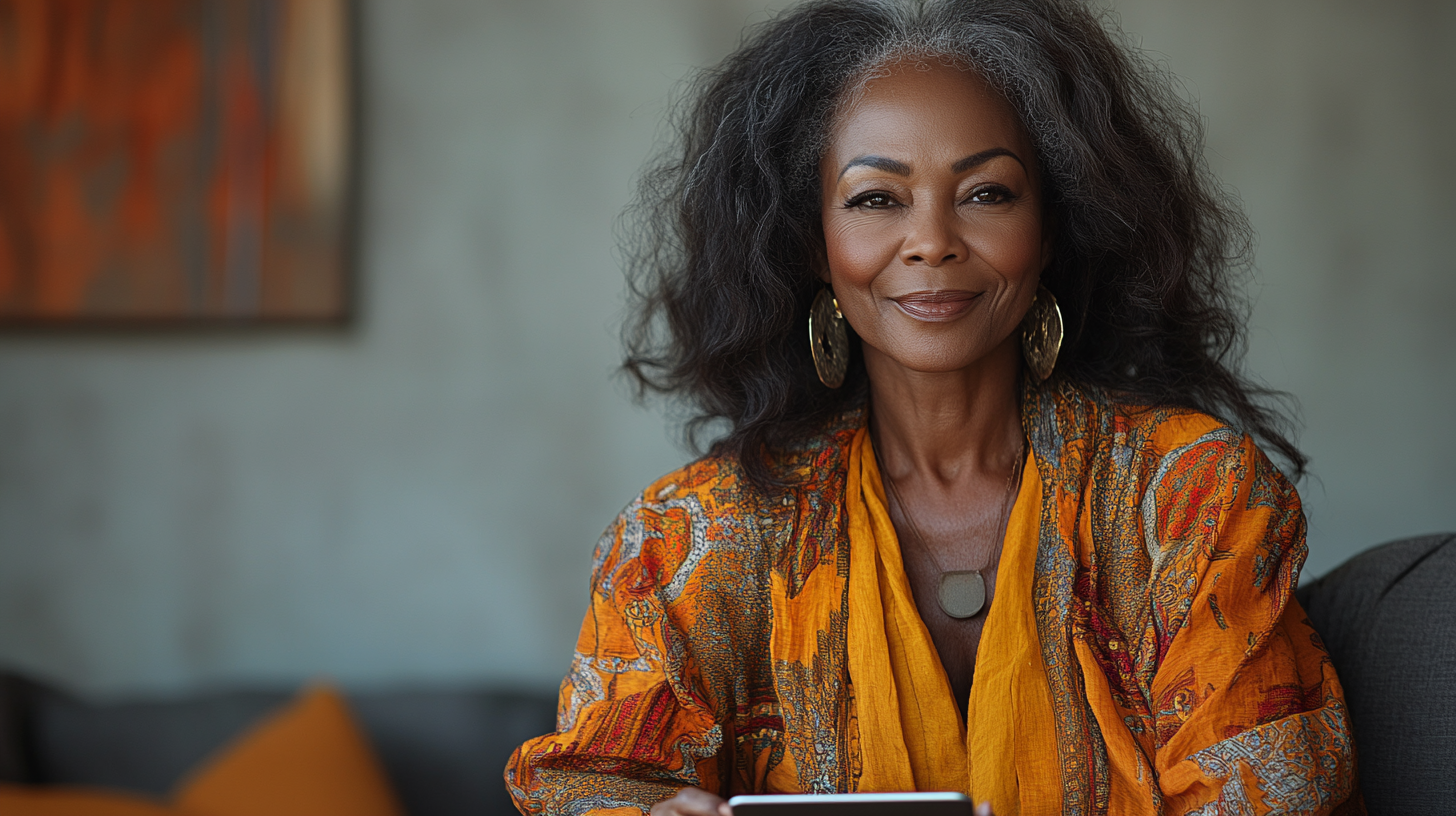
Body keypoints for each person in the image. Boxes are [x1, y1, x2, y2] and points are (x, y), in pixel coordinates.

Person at [506, 1, 1361, 814]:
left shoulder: (1189, 500)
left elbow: (1271, 793)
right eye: (877, 199)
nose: (932, 240)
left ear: (1053, 227)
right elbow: (596, 780)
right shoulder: (693, 537)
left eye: (987, 193)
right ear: (814, 241)